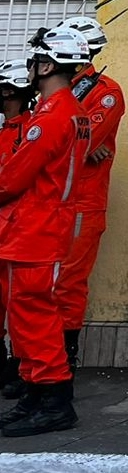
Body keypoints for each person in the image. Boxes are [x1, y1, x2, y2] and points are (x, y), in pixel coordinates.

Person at [0, 27, 91, 437]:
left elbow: (14, 178)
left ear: (48, 64)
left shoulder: (53, 116)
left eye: (35, 61)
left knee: (35, 316)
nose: (30, 69)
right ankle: (36, 393)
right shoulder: (62, 110)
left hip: (38, 226)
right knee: (25, 316)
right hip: (37, 225)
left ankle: (53, 399)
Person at [52, 16, 122, 370]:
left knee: (67, 283)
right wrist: (80, 142)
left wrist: (81, 142)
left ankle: (63, 363)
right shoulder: (52, 91)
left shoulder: (105, 91)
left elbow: (77, 143)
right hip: (50, 200)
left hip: (83, 202)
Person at [0, 59, 35, 399]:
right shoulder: (8, 131)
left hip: (16, 230)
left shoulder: (30, 132)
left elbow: (15, 182)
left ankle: (22, 368)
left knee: (19, 305)